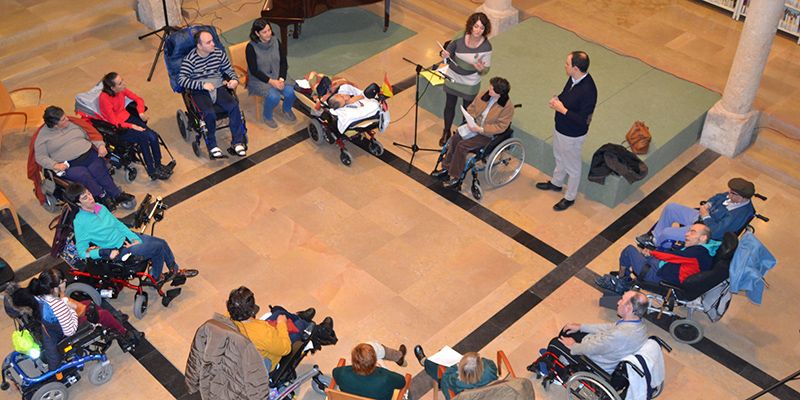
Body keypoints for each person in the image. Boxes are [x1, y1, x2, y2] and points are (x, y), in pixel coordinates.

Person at [65, 183, 197, 282]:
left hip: (126, 241)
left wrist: (134, 238)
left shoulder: (100, 207)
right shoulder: (80, 222)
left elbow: (118, 224)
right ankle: (166, 274)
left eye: (88, 193)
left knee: (160, 244)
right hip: (117, 251)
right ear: (78, 203)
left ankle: (161, 275)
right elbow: (82, 252)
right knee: (158, 247)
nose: (90, 198)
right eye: (85, 197)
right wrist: (103, 252)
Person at [34, 106, 134, 211]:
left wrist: (100, 145)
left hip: (88, 154)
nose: (67, 119)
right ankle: (102, 197)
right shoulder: (42, 137)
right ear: (55, 125)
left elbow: (91, 134)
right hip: (68, 164)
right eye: (63, 119)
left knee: (98, 169)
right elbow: (40, 156)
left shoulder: (74, 124)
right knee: (84, 175)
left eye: (65, 116)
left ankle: (116, 194)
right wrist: (54, 165)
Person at [536, 51, 598, 211]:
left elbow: (583, 120)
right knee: (559, 157)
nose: (565, 66)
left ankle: (570, 197)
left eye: (567, 64)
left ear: (576, 68)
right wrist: (558, 99)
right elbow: (566, 95)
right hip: (561, 128)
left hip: (572, 135)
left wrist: (562, 110)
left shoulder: (589, 90)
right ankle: (556, 183)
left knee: (573, 167)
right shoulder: (573, 78)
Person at [540, 290, 648, 374]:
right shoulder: (638, 324)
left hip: (593, 362)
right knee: (568, 330)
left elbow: (592, 349)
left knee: (555, 343)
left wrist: (573, 346)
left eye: (622, 300)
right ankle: (557, 358)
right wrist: (581, 327)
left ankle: (552, 368)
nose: (618, 302)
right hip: (601, 350)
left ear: (628, 308)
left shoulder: (620, 335)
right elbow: (609, 327)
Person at [433, 77, 514, 188]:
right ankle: (446, 168)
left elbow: (501, 127)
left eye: (492, 89)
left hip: (486, 134)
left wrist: (481, 129)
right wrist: (471, 118)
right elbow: (471, 107)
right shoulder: (484, 95)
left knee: (462, 146)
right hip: (474, 125)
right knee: (455, 139)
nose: (489, 90)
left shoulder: (507, 107)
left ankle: (456, 176)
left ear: (499, 93)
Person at [178, 29, 247, 158]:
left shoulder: (219, 54)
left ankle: (237, 142)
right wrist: (201, 85)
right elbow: (182, 80)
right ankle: (212, 145)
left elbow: (228, 69)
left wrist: (234, 80)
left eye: (212, 41)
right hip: (200, 91)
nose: (213, 44)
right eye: (208, 42)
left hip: (218, 86)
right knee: (208, 113)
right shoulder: (190, 60)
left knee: (233, 106)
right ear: (199, 46)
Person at [636, 177, 756, 249]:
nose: (728, 195)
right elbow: (719, 196)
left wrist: (705, 216)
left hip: (707, 232)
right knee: (671, 208)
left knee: (668, 232)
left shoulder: (739, 214)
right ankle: (656, 238)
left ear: (742, 198)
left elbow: (716, 232)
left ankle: (661, 243)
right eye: (730, 191)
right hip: (702, 218)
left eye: (732, 194)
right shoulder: (734, 197)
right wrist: (708, 204)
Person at [98, 72, 175, 180]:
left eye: (122, 80)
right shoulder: (104, 99)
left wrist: (140, 113)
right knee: (143, 137)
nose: (124, 84)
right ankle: (152, 170)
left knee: (153, 136)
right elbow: (114, 121)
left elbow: (138, 99)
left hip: (128, 118)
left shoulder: (121, 90)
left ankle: (158, 164)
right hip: (120, 128)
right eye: (120, 83)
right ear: (112, 88)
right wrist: (133, 126)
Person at [597, 224, 716, 293]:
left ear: (703, 238)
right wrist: (652, 253)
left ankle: (622, 281)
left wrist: (653, 252)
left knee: (629, 250)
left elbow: (673, 256)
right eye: (689, 231)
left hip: (657, 275)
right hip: (663, 267)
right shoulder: (705, 251)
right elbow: (676, 257)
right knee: (640, 253)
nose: (686, 234)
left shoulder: (697, 253)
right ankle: (624, 276)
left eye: (692, 232)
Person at [225, 286, 320, 372]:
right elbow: (285, 348)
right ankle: (312, 327)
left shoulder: (226, 322)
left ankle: (297, 316)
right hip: (269, 359)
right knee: (298, 325)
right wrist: (281, 324)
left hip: (252, 354)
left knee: (278, 312)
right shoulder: (261, 333)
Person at [438, 12, 493, 146]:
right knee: (449, 105)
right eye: (476, 26)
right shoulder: (460, 36)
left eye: (481, 28)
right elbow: (448, 51)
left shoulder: (486, 47)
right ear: (471, 26)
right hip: (453, 77)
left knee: (467, 110)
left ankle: (461, 134)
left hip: (470, 82)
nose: (478, 30)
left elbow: (486, 70)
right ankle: (446, 131)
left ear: (485, 30)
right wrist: (444, 53)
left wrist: (480, 68)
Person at [246, 18, 296, 129]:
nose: (268, 34)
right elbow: (254, 70)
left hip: (278, 74)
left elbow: (283, 62)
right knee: (274, 97)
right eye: (264, 32)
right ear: (257, 33)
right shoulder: (251, 47)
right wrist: (271, 82)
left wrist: (281, 78)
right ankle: (267, 116)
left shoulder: (276, 41)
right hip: (260, 79)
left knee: (291, 92)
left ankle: (287, 109)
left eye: (269, 30)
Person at [413, 346, 497, 400]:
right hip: (487, 392)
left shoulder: (456, 381)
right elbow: (485, 361)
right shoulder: (490, 369)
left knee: (436, 367)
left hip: (458, 394)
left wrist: (455, 366)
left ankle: (425, 362)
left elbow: (445, 379)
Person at [332, 343, 408, 400]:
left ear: (353, 360)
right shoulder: (385, 378)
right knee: (377, 347)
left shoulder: (342, 373)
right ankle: (398, 355)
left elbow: (334, 372)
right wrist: (381, 369)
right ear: (375, 362)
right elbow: (402, 382)